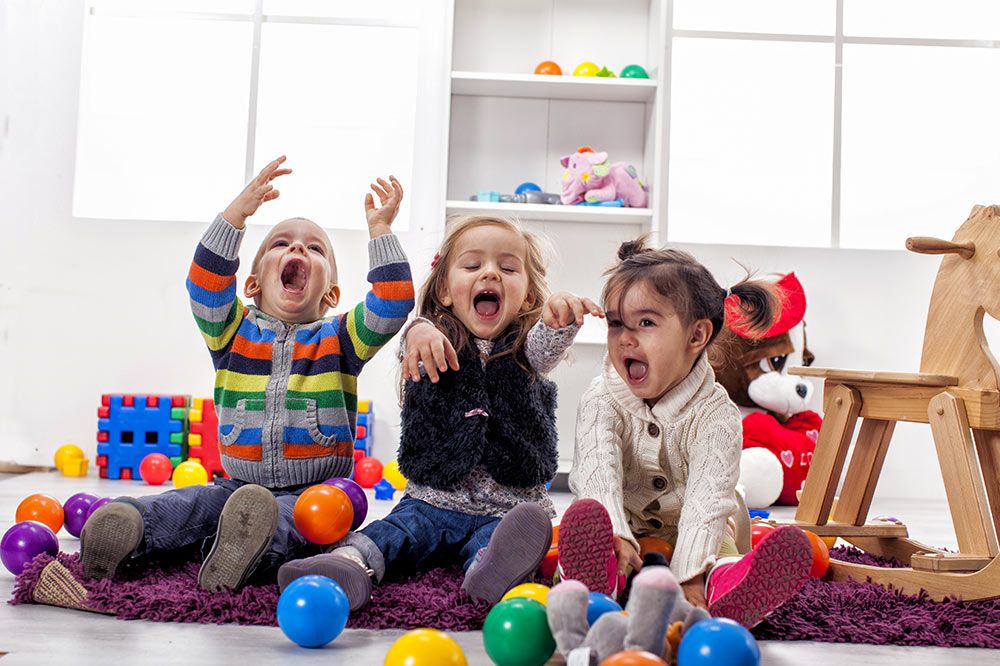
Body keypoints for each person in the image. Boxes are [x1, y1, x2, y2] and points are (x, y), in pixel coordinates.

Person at [81, 156, 414, 592]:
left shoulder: (341, 338)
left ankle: (243, 551)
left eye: (315, 249)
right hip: (237, 484)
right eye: (281, 244)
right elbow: (204, 282)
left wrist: (381, 231)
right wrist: (237, 215)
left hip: (317, 491)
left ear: (331, 292)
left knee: (298, 522)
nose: (297, 250)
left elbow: (394, 302)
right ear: (253, 283)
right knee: (193, 504)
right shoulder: (230, 331)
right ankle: (132, 526)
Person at [277, 215, 603, 610]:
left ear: (529, 297)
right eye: (472, 265)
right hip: (431, 502)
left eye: (508, 267)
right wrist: (418, 329)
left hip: (507, 510)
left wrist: (558, 319)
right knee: (393, 533)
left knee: (501, 544)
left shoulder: (526, 351)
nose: (491, 274)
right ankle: (346, 564)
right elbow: (411, 345)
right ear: (446, 290)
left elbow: (545, 346)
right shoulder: (432, 339)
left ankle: (488, 572)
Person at [558, 238, 813, 628]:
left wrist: (690, 575)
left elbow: (707, 502)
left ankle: (727, 587)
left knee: (719, 550)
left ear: (696, 336)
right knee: (591, 519)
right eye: (615, 323)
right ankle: (596, 580)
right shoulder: (601, 399)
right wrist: (616, 533)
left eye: (645, 323)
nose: (625, 337)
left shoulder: (717, 414)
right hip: (625, 519)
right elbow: (596, 472)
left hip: (696, 527)